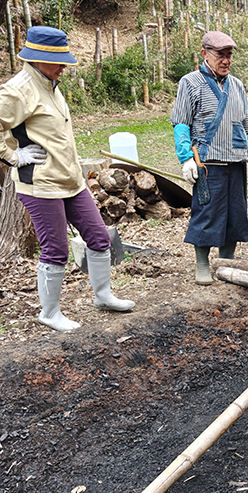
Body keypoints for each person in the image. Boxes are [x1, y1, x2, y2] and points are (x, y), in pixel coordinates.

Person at [0, 26, 135, 332]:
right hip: (40, 184)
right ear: (37, 58)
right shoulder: (17, 90)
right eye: (58, 60)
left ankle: (103, 296)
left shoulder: (49, 82)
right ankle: (49, 313)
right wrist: (13, 156)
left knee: (99, 238)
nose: (64, 66)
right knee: (56, 249)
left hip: (69, 180)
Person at [170, 31, 248, 285]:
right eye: (220, 55)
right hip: (207, 163)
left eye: (229, 55)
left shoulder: (237, 85)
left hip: (236, 160)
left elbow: (246, 122)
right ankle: (202, 264)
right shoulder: (190, 83)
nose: (226, 60)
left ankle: (227, 263)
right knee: (207, 213)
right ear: (205, 54)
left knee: (235, 213)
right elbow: (180, 123)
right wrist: (186, 157)